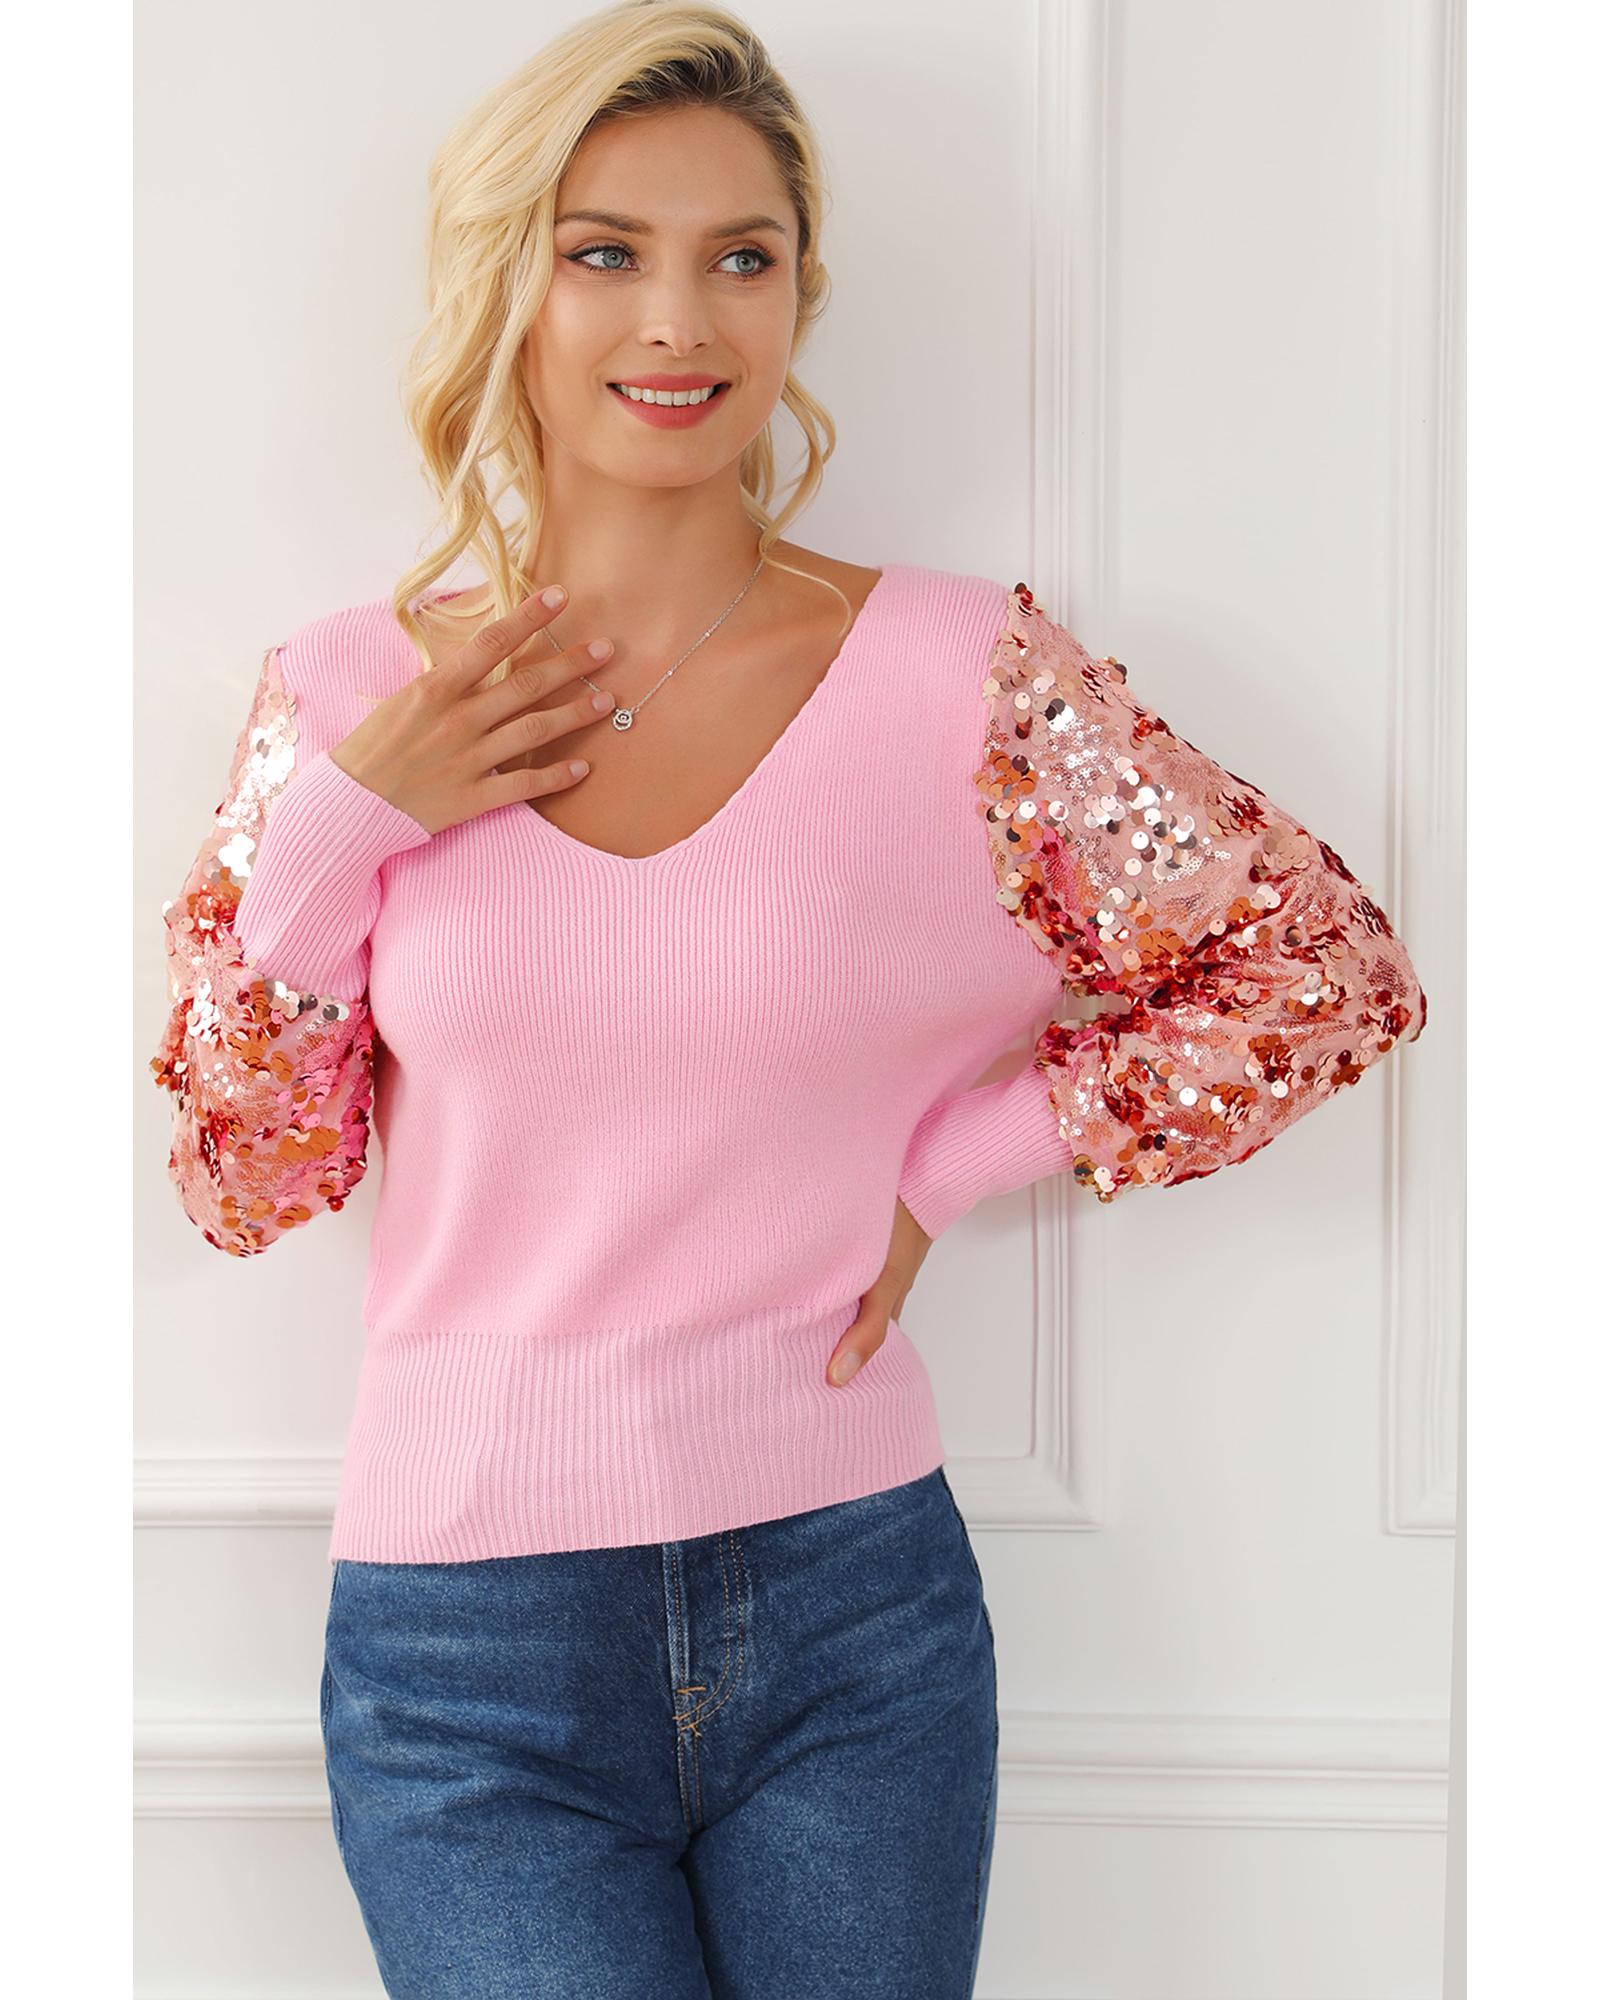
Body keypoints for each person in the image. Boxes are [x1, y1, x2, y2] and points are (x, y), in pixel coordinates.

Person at [147, 5, 1428, 1995]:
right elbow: (243, 1179)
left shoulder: (962, 680)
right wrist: (340, 836)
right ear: (507, 280)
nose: (679, 320)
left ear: (800, 293)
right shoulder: (347, 699)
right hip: (468, 1657)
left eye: (739, 256)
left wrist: (953, 1159)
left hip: (854, 1610)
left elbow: (1321, 968)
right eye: (604, 252)